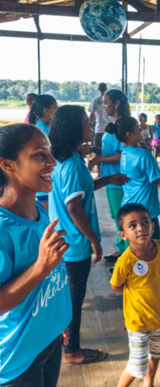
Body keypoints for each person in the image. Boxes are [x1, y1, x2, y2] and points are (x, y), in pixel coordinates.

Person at [48, 105, 129, 365]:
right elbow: (73, 207)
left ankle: (62, 334)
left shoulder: (66, 160)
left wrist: (108, 179)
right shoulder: (71, 165)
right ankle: (72, 350)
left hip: (66, 242)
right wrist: (94, 239)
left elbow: (81, 191)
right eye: (86, 121)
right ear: (73, 129)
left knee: (66, 294)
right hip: (74, 245)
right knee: (74, 297)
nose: (91, 124)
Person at [0, 123, 71, 386]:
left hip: (48, 339)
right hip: (17, 359)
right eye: (40, 155)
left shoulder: (39, 213)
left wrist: (57, 318)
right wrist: (41, 266)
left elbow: (53, 278)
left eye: (50, 154)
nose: (52, 162)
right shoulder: (3, 229)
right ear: (8, 164)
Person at [110, 203, 160, 387]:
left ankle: (149, 382)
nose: (141, 228)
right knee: (136, 365)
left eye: (145, 222)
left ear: (153, 226)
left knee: (157, 354)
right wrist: (135, 293)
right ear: (123, 235)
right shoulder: (125, 261)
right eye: (133, 225)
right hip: (138, 321)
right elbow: (116, 286)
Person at [107, 116, 160, 240]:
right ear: (129, 134)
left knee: (139, 252)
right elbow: (158, 181)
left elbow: (150, 176)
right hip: (144, 212)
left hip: (128, 208)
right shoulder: (143, 155)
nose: (141, 129)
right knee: (152, 253)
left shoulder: (126, 153)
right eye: (137, 128)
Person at [89, 89, 131, 262]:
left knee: (123, 217)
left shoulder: (123, 127)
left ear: (116, 104)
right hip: (110, 179)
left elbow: (124, 154)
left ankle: (128, 253)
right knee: (117, 215)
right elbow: (110, 150)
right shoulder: (113, 125)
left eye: (105, 102)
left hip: (118, 179)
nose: (103, 106)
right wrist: (94, 151)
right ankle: (122, 248)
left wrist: (99, 158)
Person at [28, 94, 58, 211]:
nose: (57, 109)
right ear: (46, 111)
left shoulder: (46, 128)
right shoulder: (41, 132)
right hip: (43, 177)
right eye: (55, 107)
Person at [88, 83, 114, 171]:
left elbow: (91, 116)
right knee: (106, 151)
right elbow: (91, 116)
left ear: (98, 89)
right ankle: (101, 172)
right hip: (106, 129)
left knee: (102, 152)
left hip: (104, 129)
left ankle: (101, 172)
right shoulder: (98, 101)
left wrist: (90, 126)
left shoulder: (95, 100)